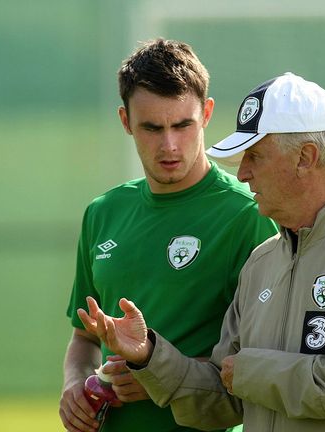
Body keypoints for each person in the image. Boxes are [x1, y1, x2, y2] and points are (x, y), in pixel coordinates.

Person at [78, 72, 325, 431]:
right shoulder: (263, 262)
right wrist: (149, 355)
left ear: (305, 157)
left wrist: (250, 371)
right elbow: (223, 395)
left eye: (254, 156)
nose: (243, 174)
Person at [59, 39, 278, 432]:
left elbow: (265, 357)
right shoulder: (103, 213)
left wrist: (158, 371)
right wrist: (76, 384)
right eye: (151, 128)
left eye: (182, 124)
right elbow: (84, 340)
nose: (169, 145)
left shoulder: (247, 215)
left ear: (207, 114)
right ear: (125, 121)